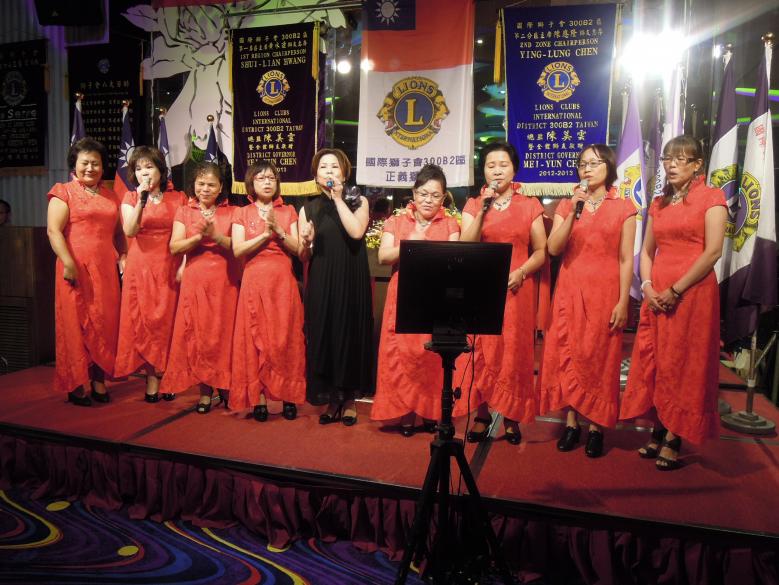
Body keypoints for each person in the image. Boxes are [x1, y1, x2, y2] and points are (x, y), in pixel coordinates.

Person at [620, 135, 727, 470]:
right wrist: (648, 286)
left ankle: (675, 435)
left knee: (685, 362)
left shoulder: (712, 197)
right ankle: (659, 424)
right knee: (658, 361)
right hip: (657, 292)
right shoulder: (659, 203)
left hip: (693, 293)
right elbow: (647, 251)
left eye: (681, 159)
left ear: (698, 165)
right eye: (668, 158)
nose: (672, 164)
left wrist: (676, 290)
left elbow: (713, 252)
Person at [538, 145, 636, 457]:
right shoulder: (568, 204)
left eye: (594, 163)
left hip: (606, 291)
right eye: (582, 164)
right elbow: (553, 248)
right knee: (569, 352)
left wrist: (623, 301)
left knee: (600, 356)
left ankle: (596, 426)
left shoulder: (624, 207)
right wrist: (572, 212)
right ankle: (571, 422)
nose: (587, 169)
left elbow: (626, 259)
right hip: (570, 288)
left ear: (609, 167)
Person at [460, 141, 547, 444]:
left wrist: (521, 272)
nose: (497, 171)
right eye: (490, 165)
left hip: (517, 288)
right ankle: (483, 415)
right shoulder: (473, 205)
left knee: (514, 351)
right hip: (482, 288)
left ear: (514, 169)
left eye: (503, 165)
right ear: (483, 171)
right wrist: (483, 210)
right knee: (483, 350)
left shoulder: (530, 205)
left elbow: (541, 251)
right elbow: (466, 244)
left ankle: (512, 416)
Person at [370, 164, 462, 436]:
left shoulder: (451, 224)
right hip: (403, 294)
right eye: (423, 194)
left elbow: (453, 262)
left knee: (430, 355)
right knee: (403, 354)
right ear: (413, 193)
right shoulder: (396, 222)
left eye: (435, 195)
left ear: (443, 197)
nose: (428, 200)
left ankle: (429, 411)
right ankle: (406, 413)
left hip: (435, 295)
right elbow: (383, 257)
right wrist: (409, 243)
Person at [46, 138, 126, 405]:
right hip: (74, 267)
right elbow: (54, 231)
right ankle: (77, 383)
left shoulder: (110, 195)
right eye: (85, 163)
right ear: (74, 164)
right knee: (75, 324)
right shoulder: (63, 192)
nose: (90, 168)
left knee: (104, 323)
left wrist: (124, 256)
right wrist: (67, 262)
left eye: (96, 163)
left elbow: (118, 234)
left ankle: (99, 381)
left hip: (105, 269)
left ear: (103, 167)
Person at [299, 148, 373, 425]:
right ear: (315, 175)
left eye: (334, 166)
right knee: (325, 334)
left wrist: (339, 199)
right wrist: (306, 241)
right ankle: (332, 398)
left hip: (351, 277)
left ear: (344, 172)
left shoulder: (359, 201)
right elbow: (303, 255)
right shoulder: (307, 208)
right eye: (323, 167)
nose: (329, 171)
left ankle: (350, 399)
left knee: (350, 334)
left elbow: (356, 231)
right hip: (322, 279)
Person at [161, 162, 240, 413]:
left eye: (211, 185)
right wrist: (198, 237)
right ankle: (205, 392)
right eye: (201, 184)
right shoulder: (184, 211)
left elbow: (238, 247)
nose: (205, 189)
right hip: (196, 281)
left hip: (226, 280)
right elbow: (174, 247)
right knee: (200, 335)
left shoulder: (233, 212)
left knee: (224, 335)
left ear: (221, 187)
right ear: (193, 185)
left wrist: (216, 237)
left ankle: (226, 387)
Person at [231, 161, 306, 421]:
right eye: (261, 178)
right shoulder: (242, 212)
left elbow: (299, 249)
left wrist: (279, 231)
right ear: (251, 183)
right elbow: (238, 250)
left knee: (285, 338)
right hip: (254, 281)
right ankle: (259, 398)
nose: (267, 182)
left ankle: (288, 396)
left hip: (282, 282)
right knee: (255, 339)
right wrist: (264, 235)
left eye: (271, 178)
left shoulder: (288, 210)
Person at [115, 146, 186, 402]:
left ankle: (168, 373)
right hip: (141, 266)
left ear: (160, 170)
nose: (144, 173)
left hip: (169, 263)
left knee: (167, 319)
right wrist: (141, 200)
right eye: (138, 168)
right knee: (145, 321)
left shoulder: (178, 198)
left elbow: (186, 233)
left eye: (149, 167)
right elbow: (130, 230)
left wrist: (184, 264)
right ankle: (152, 377)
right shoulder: (130, 198)